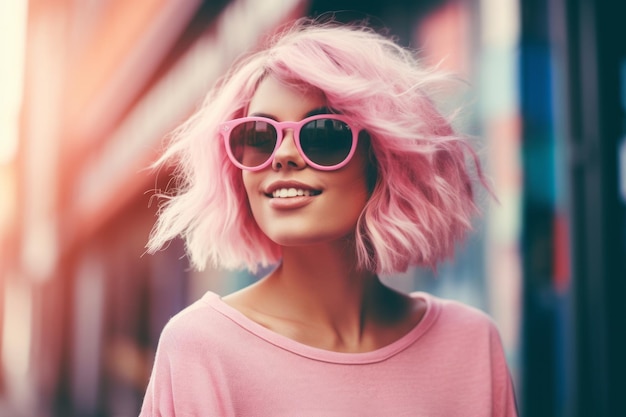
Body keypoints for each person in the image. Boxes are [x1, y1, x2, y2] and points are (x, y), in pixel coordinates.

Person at [139, 18, 518, 416]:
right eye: (259, 137)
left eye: (322, 134)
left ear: (384, 158)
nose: (283, 155)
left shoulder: (471, 344)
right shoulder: (201, 347)